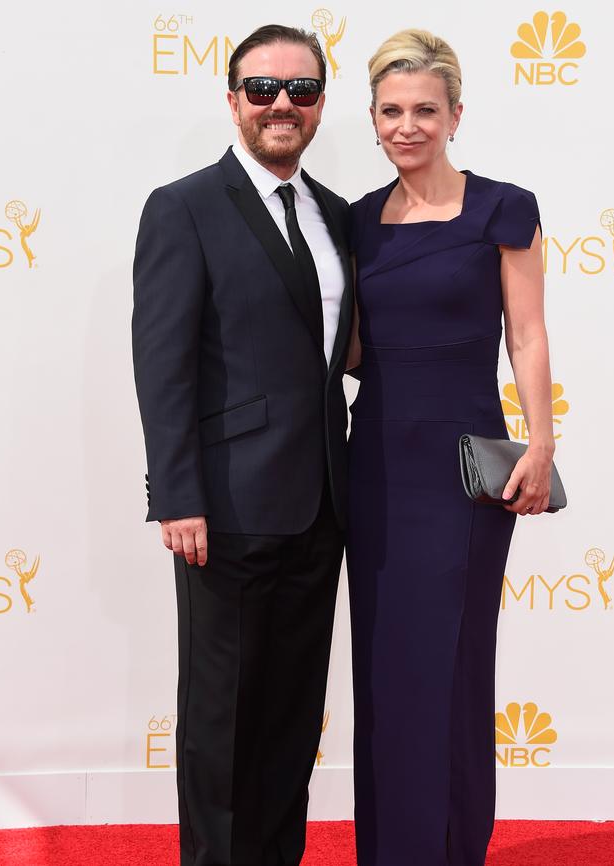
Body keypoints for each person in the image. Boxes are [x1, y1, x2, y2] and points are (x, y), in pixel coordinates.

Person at [132, 24, 353, 866]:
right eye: (262, 89)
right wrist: (177, 494)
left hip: (322, 507)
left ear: (321, 105)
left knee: (291, 721)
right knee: (223, 722)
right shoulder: (182, 207)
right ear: (233, 101)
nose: (281, 105)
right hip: (223, 509)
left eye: (299, 90)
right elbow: (163, 363)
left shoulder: (335, 214)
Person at [345, 29, 555, 866]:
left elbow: (529, 337)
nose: (407, 126)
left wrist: (540, 443)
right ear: (372, 118)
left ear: (455, 115)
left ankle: (450, 847)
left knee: (454, 666)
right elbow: (353, 347)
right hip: (377, 466)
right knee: (385, 669)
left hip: (465, 469)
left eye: (425, 110)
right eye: (391, 111)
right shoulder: (358, 220)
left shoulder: (502, 207)